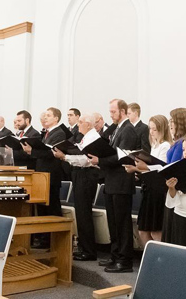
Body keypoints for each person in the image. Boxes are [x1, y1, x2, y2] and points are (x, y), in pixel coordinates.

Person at [89, 99, 138, 273]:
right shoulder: (118, 129)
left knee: (122, 223)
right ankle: (116, 254)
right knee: (113, 222)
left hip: (122, 181)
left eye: (113, 112)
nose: (111, 115)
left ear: (123, 111)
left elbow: (122, 156)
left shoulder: (128, 130)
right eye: (110, 112)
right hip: (112, 180)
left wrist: (99, 160)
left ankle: (124, 260)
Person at [53, 113, 100, 261]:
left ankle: (89, 251)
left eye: (80, 122)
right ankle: (84, 248)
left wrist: (65, 157)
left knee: (84, 213)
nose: (78, 125)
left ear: (88, 124)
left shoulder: (92, 137)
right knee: (80, 213)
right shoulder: (86, 136)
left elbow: (86, 160)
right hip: (81, 175)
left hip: (87, 175)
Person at [124, 114, 171, 245]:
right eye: (150, 129)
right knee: (143, 231)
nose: (151, 132)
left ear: (162, 130)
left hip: (158, 191)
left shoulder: (165, 145)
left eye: (154, 129)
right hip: (149, 188)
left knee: (155, 232)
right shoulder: (155, 146)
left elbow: (161, 169)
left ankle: (159, 261)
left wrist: (139, 169)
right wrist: (139, 171)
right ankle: (150, 259)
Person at [22, 108, 66, 217]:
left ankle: (54, 232)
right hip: (42, 175)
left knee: (52, 208)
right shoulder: (48, 133)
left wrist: (32, 151)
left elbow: (52, 153)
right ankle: (44, 234)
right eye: (45, 115)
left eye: (49, 115)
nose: (45, 117)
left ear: (56, 119)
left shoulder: (59, 133)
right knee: (42, 207)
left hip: (51, 175)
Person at [161, 107, 186, 242]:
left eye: (172, 121)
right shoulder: (178, 141)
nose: (170, 125)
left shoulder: (184, 142)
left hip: (178, 190)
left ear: (180, 123)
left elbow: (175, 165)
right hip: (172, 188)